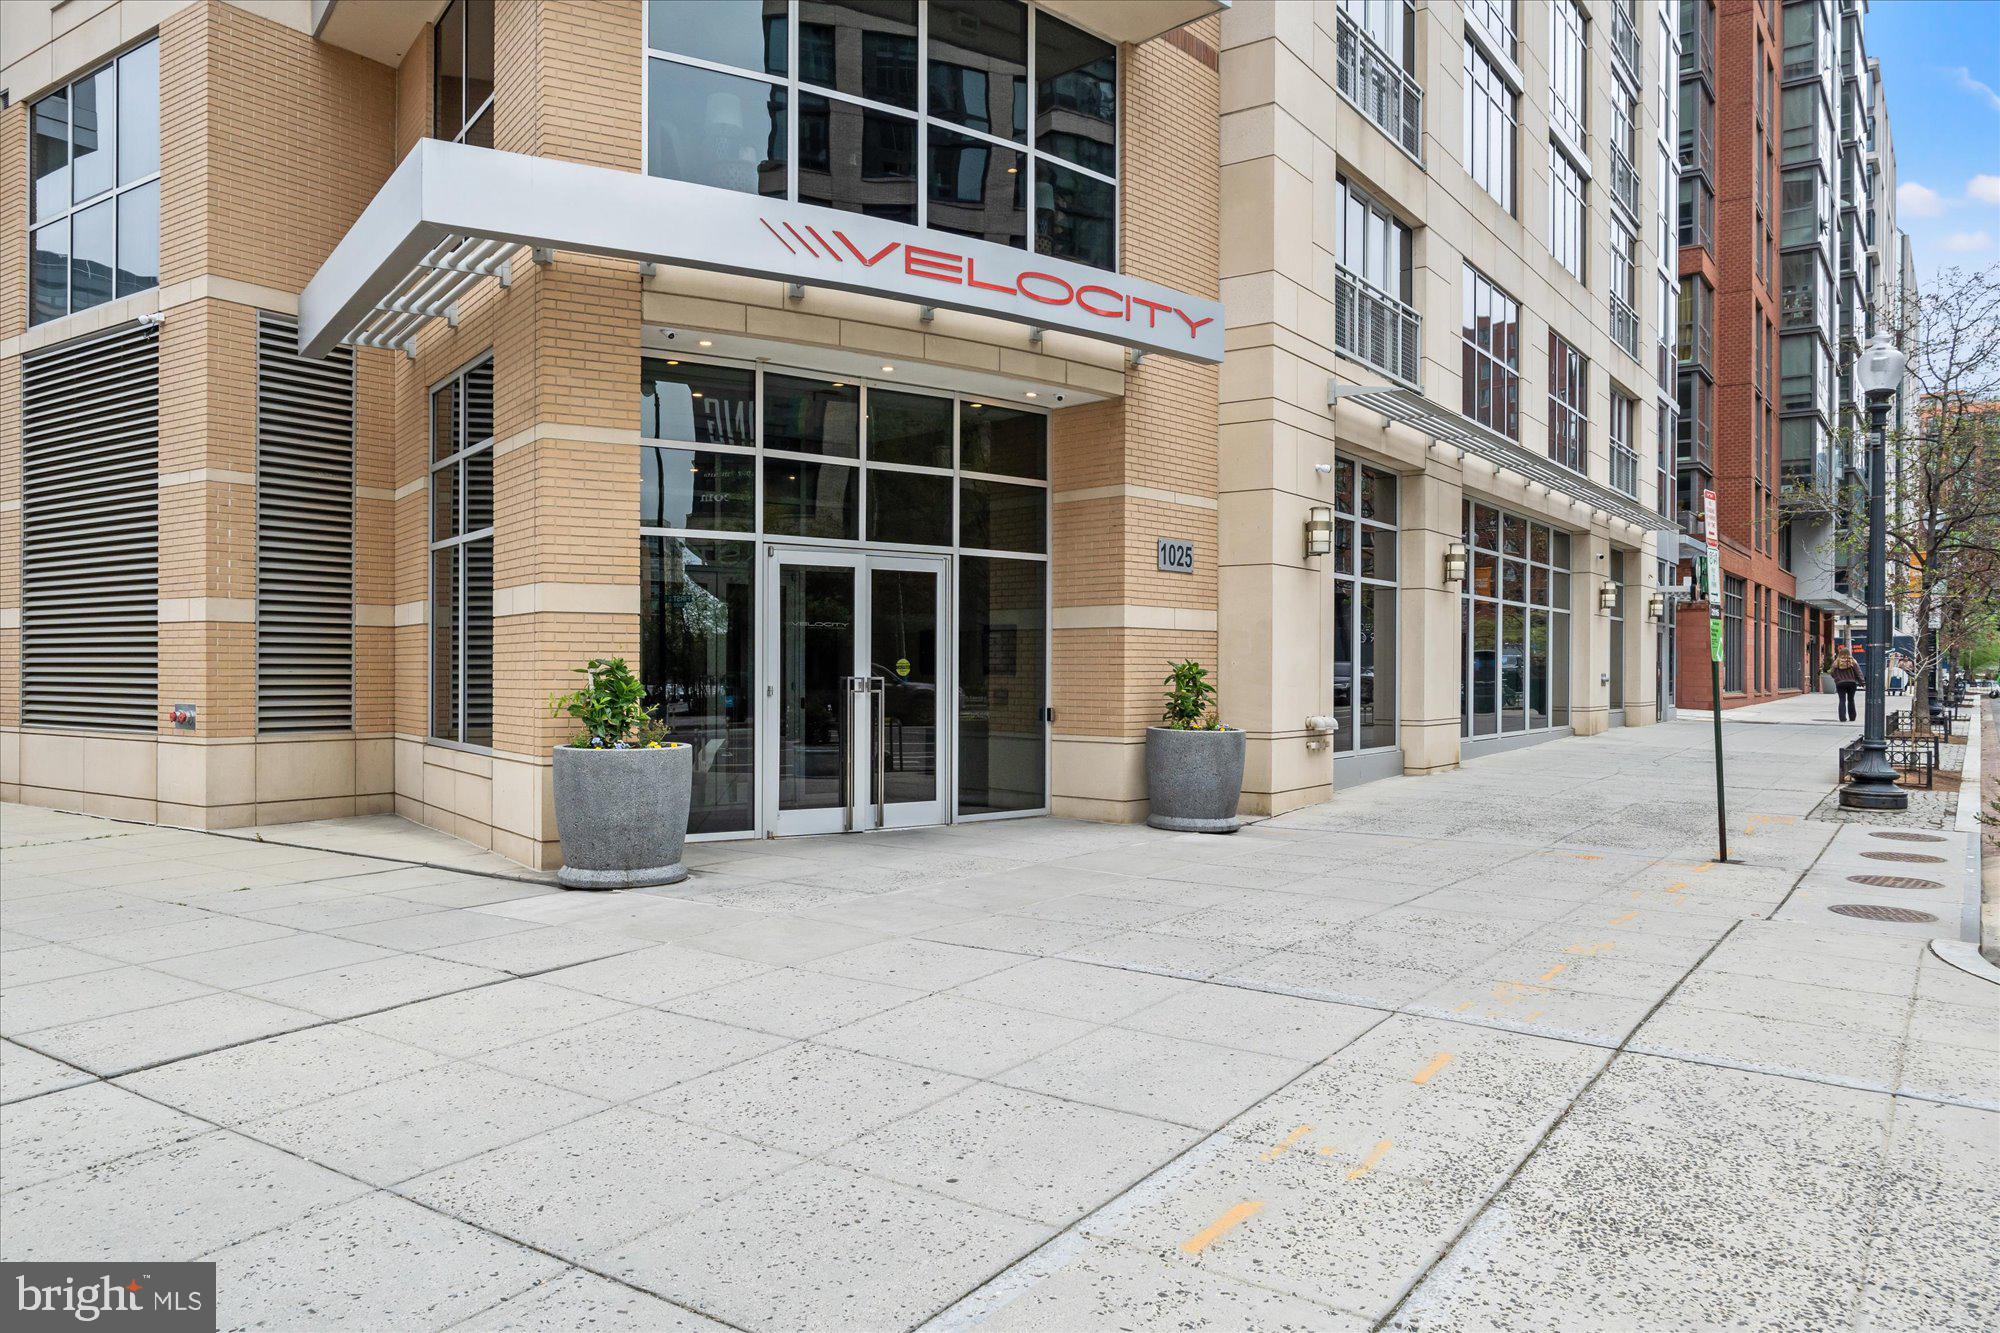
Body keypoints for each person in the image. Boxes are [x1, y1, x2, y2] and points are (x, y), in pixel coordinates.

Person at [1830, 650, 1862, 722]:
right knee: (1851, 700)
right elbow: (1858, 672)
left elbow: (1831, 672)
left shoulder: (1836, 662)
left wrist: (1837, 679)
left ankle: (1842, 718)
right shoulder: (1852, 661)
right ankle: (1852, 717)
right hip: (1851, 683)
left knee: (1842, 700)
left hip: (1840, 683)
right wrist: (1862, 682)